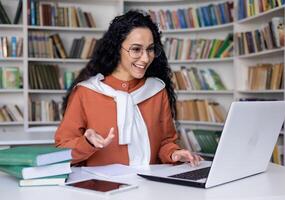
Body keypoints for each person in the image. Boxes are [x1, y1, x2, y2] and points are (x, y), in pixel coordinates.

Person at [55, 10, 202, 167]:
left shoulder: (157, 91)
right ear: (117, 48)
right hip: (101, 188)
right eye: (136, 49)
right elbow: (61, 151)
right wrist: (86, 143)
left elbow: (165, 142)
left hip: (150, 186)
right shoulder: (86, 92)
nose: (146, 58)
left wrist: (173, 153)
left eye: (150, 49)